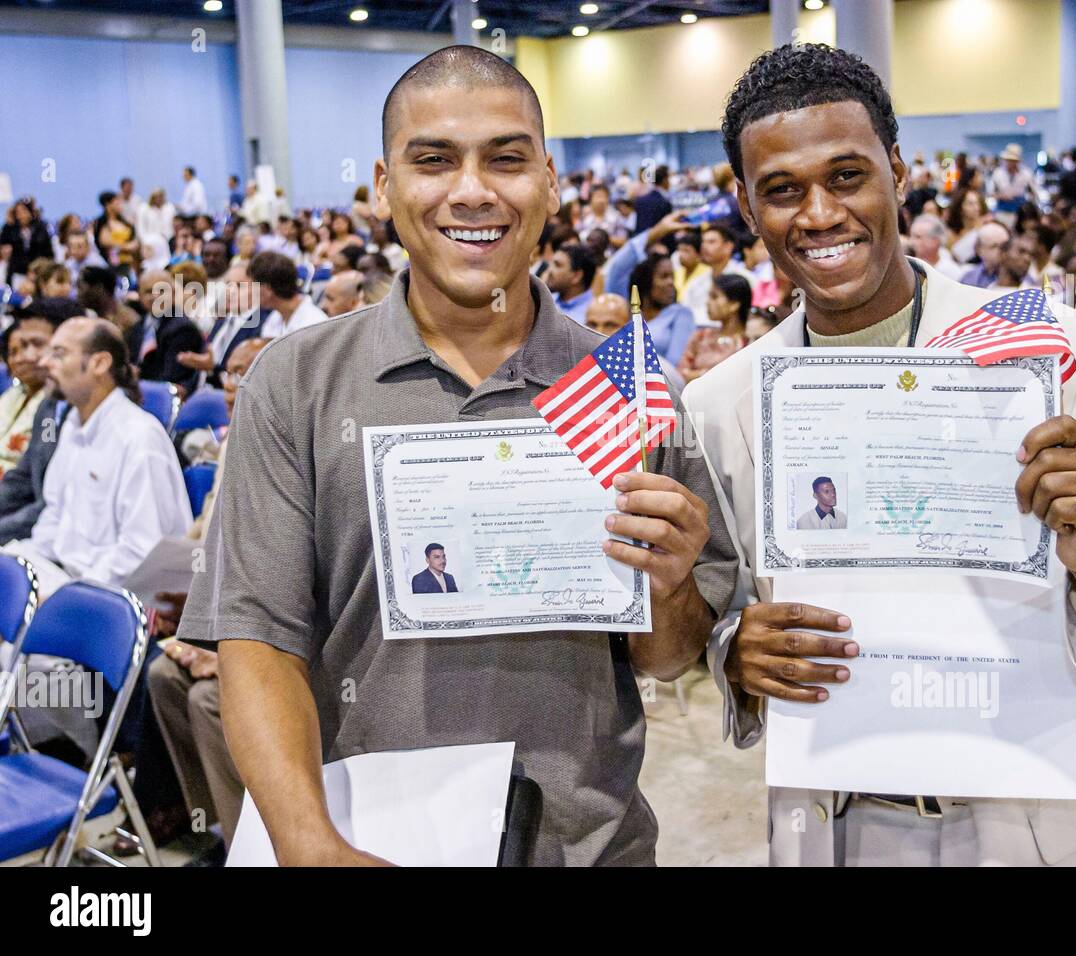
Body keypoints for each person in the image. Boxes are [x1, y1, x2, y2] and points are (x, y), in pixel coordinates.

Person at [176, 45, 737, 867]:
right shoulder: (296, 383)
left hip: (589, 846)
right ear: (383, 186)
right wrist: (308, 843)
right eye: (433, 160)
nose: (471, 190)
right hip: (373, 842)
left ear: (549, 182)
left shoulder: (622, 385)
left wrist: (673, 580)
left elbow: (665, 654)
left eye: (506, 159)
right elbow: (258, 641)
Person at [684, 41, 1076, 867]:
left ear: (898, 170)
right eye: (782, 191)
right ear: (749, 212)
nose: (819, 214)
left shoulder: (1070, 358)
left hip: (1030, 822)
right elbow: (722, 619)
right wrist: (737, 650)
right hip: (832, 823)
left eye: (847, 175)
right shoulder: (720, 407)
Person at [145, 336, 271, 860]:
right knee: (162, 677)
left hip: (272, 626)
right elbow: (205, 530)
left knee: (210, 698)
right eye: (227, 374)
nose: (229, 387)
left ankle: (255, 845)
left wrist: (227, 642)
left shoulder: (296, 443)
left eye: (244, 375)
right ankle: (218, 824)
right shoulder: (230, 441)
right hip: (224, 604)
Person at [13, 318, 190, 590]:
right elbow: (53, 518)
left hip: (110, 601)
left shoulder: (140, 437)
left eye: (59, 354)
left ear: (99, 363)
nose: (45, 363)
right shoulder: (73, 423)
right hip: (63, 578)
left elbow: (142, 554)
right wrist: (21, 563)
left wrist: (63, 595)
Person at [128, 269, 208, 391]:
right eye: (148, 291)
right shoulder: (138, 326)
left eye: (160, 291)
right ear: (139, 295)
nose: (154, 297)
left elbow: (171, 377)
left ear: (173, 293)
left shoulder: (182, 328)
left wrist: (137, 377)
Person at [0, 312, 56, 476]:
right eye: (13, 352)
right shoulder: (12, 394)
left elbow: (45, 462)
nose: (21, 358)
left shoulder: (54, 406)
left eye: (36, 345)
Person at [681, 223, 753, 325]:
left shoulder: (747, 279)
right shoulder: (696, 282)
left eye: (711, 242)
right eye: (703, 242)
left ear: (728, 246)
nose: (704, 246)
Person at [249, 251, 329, 338]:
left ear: (267, 289)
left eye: (253, 285)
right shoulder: (275, 317)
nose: (250, 291)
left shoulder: (315, 324)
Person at [0, 198, 55, 281]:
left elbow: (48, 253)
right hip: (16, 273)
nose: (20, 215)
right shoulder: (10, 228)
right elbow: (4, 246)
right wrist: (8, 223)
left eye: (23, 211)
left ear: (30, 212)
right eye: (17, 212)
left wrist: (38, 269)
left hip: (37, 273)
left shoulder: (40, 228)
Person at [545, 241, 596, 326]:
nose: (549, 270)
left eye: (557, 265)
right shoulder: (544, 301)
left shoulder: (595, 315)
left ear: (576, 276)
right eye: (550, 263)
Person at [906, 214, 965, 280]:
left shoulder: (951, 272)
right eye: (911, 236)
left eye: (918, 237)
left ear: (935, 240)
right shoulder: (907, 267)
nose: (911, 242)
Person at [959, 221, 1011, 288]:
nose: (1002, 251)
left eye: (1005, 246)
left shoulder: (1016, 278)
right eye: (994, 246)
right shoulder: (968, 279)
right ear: (979, 249)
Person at [991, 144, 1034, 220]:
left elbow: (1033, 192)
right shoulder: (998, 173)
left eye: (1013, 161)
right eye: (1009, 160)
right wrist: (1001, 196)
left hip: (1020, 211)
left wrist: (1024, 198)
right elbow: (991, 192)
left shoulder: (1026, 174)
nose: (1011, 163)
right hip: (1002, 210)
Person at [633, 164, 673, 235]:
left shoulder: (640, 200)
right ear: (664, 180)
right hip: (659, 242)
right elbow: (667, 229)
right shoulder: (665, 203)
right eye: (669, 179)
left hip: (641, 242)